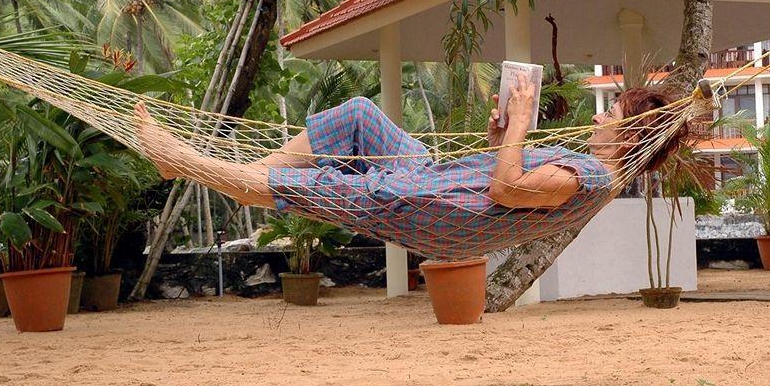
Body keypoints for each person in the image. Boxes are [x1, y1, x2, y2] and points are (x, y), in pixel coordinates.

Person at [136, 74, 682, 259]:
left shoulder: (589, 178)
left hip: (437, 208)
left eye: (614, 111)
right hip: (439, 178)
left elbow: (510, 192)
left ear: (632, 132)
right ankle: (243, 175)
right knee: (357, 118)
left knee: (318, 188)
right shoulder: (589, 168)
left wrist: (517, 128)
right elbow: (506, 178)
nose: (603, 113)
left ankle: (183, 161)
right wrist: (499, 138)